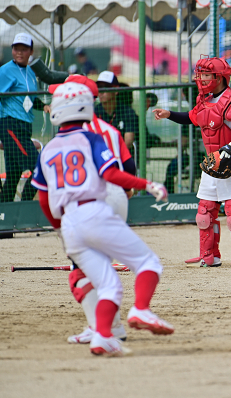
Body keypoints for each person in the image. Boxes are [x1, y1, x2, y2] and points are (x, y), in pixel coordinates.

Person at [32, 81, 171, 356]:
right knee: (147, 263)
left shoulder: (47, 149)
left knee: (107, 283)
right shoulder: (94, 136)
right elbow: (113, 174)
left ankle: (103, 336)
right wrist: (146, 184)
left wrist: (59, 227)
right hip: (95, 209)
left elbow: (43, 200)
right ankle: (141, 309)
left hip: (69, 222)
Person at [44, 74, 138, 344]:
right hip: (115, 197)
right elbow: (128, 169)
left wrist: (58, 222)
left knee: (80, 272)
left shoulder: (67, 136)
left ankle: (101, 328)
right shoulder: (109, 130)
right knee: (99, 266)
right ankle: (112, 326)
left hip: (87, 204)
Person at [152, 56, 231, 268]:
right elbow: (190, 118)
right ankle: (210, 255)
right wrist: (168, 114)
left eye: (206, 75)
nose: (200, 78)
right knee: (205, 211)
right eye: (200, 74)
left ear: (219, 77)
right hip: (212, 161)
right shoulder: (204, 100)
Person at [0, 33, 47, 203]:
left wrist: (44, 106)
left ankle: (5, 225)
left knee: (12, 176)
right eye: (16, 48)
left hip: (24, 127)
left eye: (24, 49)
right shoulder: (5, 71)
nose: (19, 52)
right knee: (40, 168)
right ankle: (24, 208)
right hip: (10, 125)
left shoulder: (30, 72)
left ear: (31, 51)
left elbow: (29, 99)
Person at [94, 71, 137, 150]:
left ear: (116, 90)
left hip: (121, 157)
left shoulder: (128, 112)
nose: (101, 92)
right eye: (99, 87)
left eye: (105, 87)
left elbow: (128, 142)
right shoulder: (94, 112)